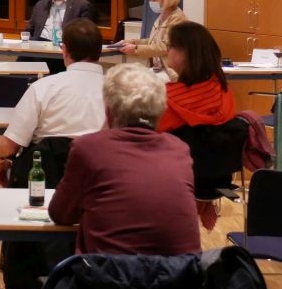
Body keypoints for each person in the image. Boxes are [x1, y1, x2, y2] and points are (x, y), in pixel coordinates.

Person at [49, 63, 202, 255]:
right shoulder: (180, 150)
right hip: (179, 271)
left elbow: (60, 214)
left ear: (108, 112)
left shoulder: (88, 148)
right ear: (161, 110)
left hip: (110, 271)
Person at [0, 17, 106, 182]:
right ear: (100, 51)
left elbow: (10, 146)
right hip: (101, 183)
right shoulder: (121, 94)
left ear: (65, 50)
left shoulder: (42, 88)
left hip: (45, 183)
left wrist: (0, 165)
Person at [156, 21, 236, 133]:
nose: (167, 50)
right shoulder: (224, 90)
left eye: (170, 46)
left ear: (186, 53)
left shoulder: (165, 99)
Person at [118, 0, 188, 77]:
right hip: (158, 68)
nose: (151, 2)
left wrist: (136, 49)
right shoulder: (162, 16)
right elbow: (154, 41)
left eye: (154, 0)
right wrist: (134, 42)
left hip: (171, 72)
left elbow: (165, 47)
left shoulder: (178, 18)